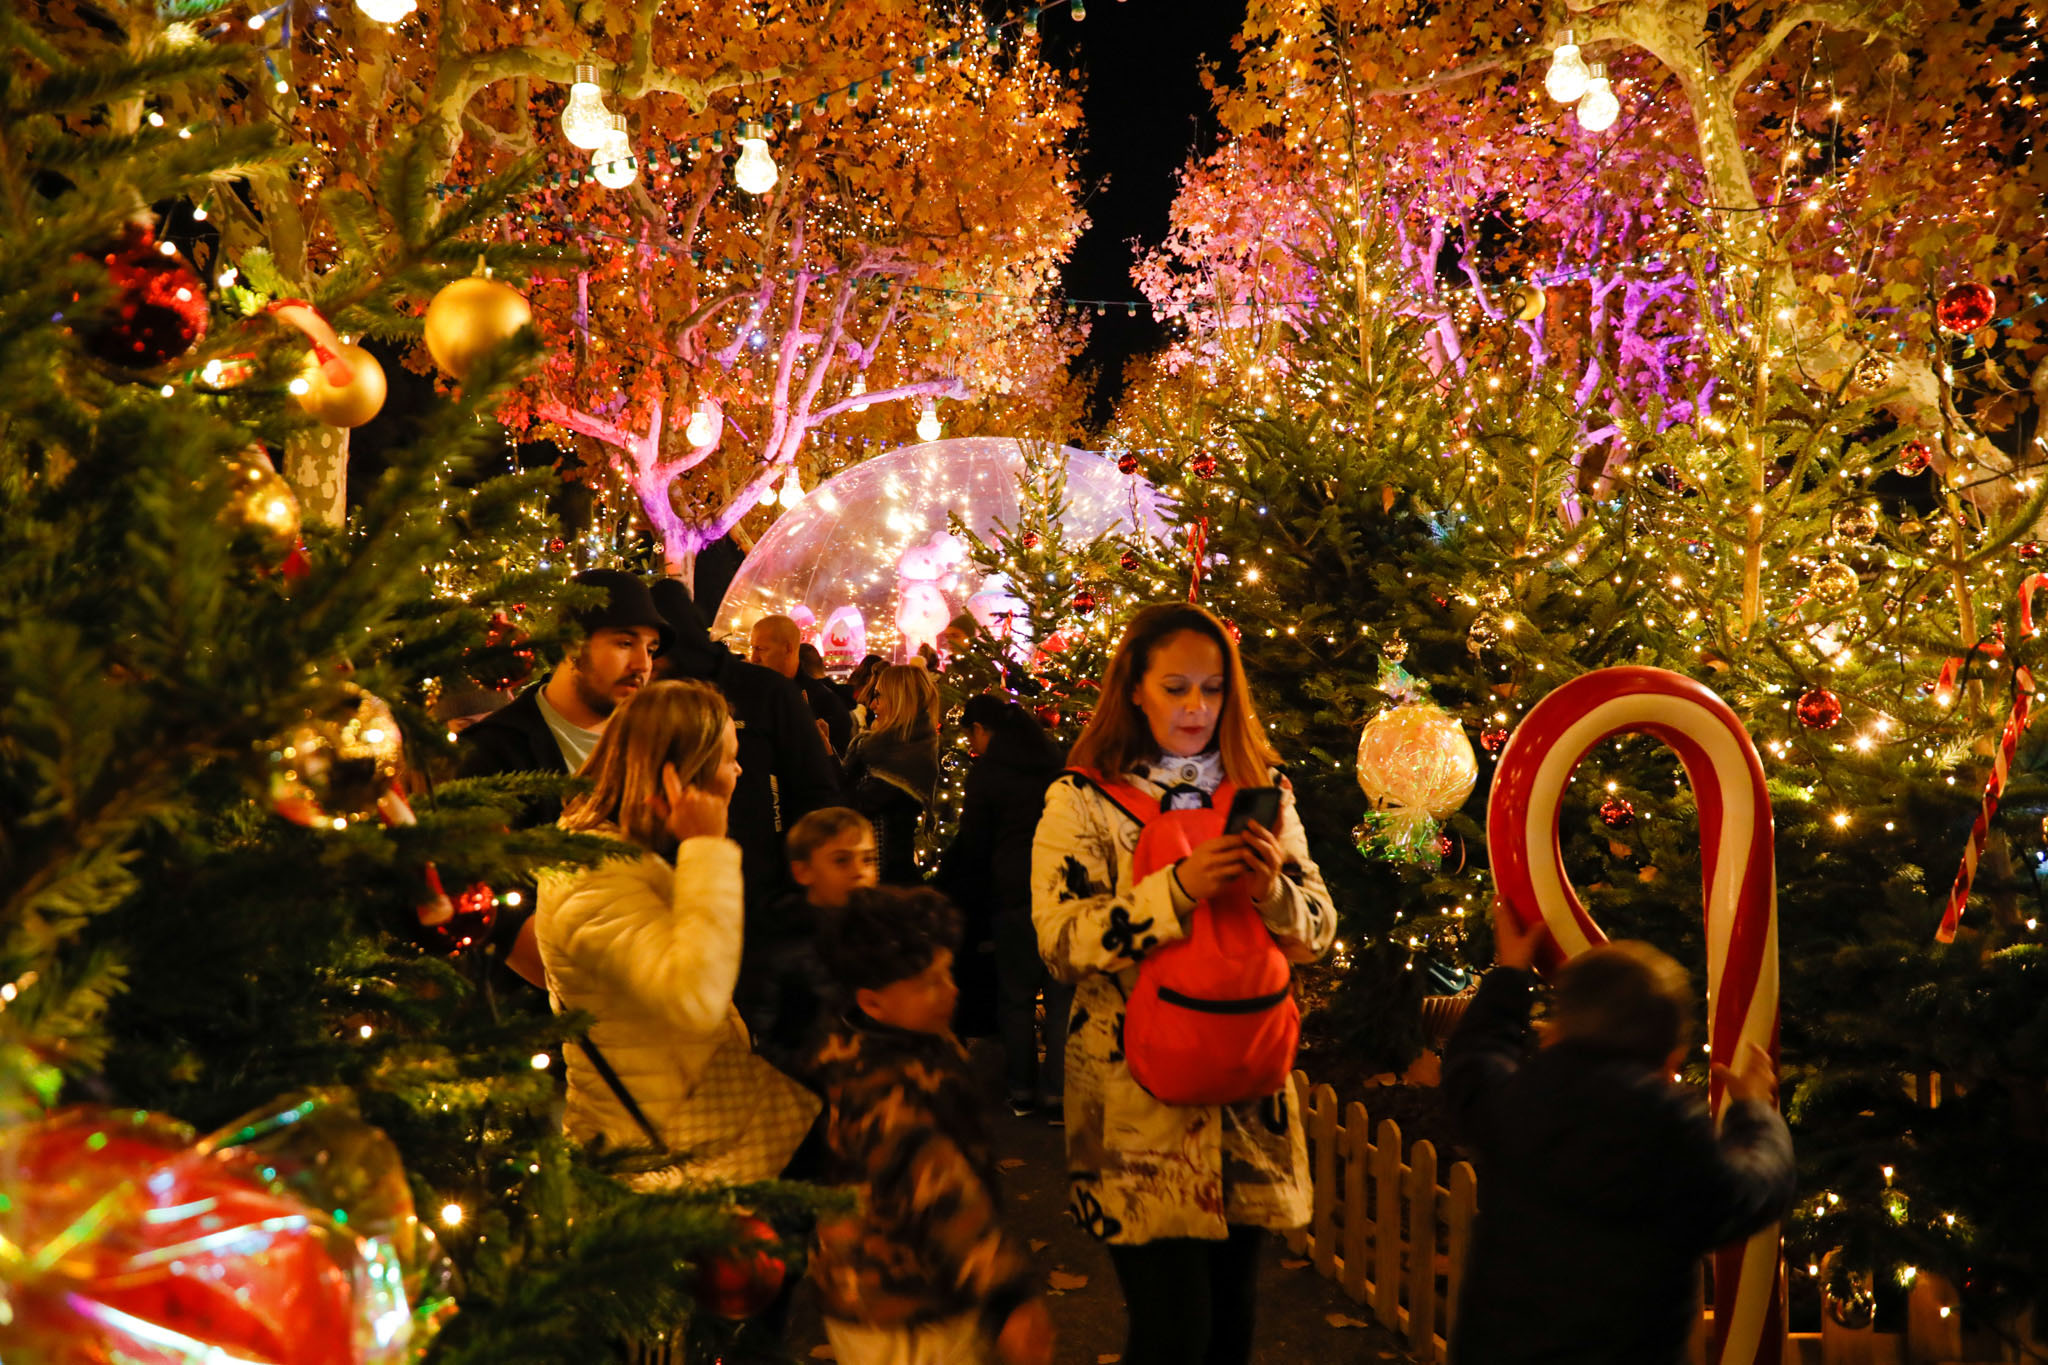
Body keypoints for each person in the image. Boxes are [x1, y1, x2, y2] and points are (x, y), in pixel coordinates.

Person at [1030, 601, 1336, 1365]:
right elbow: (1061, 941)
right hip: (1135, 1103)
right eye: (1176, 687)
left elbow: (1319, 931)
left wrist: (1270, 893)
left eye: (1212, 689)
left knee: (1231, 1328)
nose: (1196, 708)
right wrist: (1176, 890)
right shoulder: (1082, 800)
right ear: (1134, 688)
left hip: (1245, 1092)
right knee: (1173, 1334)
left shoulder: (1264, 791)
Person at [1441, 906, 1796, 1365]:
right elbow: (1754, 1186)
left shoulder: (1519, 1100)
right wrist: (1752, 1112)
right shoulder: (1670, 1130)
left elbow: (1473, 1060)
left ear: (1556, 1032)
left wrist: (1510, 975)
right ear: (1673, 1056)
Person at [535, 680, 821, 1187]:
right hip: (654, 1158)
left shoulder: (623, 855)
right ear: (682, 773)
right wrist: (707, 847)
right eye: (728, 758)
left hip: (690, 1118)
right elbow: (695, 996)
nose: (739, 771)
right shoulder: (594, 876)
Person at [807, 886, 1054, 1365]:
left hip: (915, 1287)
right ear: (872, 1002)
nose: (951, 990)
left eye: (946, 973)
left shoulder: (910, 1039)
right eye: (928, 983)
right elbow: (941, 1194)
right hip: (899, 1310)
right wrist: (1009, 1298)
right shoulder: (883, 1092)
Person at [456, 568, 674, 988]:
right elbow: (491, 899)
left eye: (650, 647)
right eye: (624, 643)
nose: (642, 665)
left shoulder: (653, 743)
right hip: (547, 1014)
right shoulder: (496, 751)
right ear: (571, 644)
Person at [646, 579, 840, 914]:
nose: (645, 661)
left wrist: (795, 891)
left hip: (764, 897)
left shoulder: (766, 692)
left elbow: (816, 791)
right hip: (672, 894)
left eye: (652, 647)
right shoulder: (647, 700)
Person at [936, 696, 1070, 1118]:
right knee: (1061, 995)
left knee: (1014, 996)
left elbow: (975, 843)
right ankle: (1058, 1093)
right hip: (1060, 891)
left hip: (1012, 894)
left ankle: (1022, 1091)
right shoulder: (1056, 764)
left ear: (981, 730)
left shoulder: (989, 774)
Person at [735, 807, 880, 1078]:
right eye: (841, 861)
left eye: (868, 859)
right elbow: (767, 1029)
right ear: (803, 872)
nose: (859, 872)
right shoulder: (781, 943)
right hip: (814, 1085)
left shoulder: (879, 929)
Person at [842, 664, 941, 886]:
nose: (872, 704)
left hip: (886, 881)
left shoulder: (907, 754)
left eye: (879, 696)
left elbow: (854, 803)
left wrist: (827, 758)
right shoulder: (880, 747)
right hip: (874, 873)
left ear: (900, 702)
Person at [751, 613, 855, 757]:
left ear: (788, 649)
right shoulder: (751, 693)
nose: (753, 658)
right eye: (752, 648)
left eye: (761, 649)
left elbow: (837, 769)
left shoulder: (824, 702)